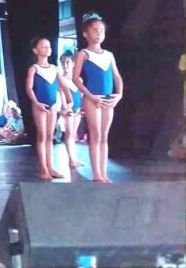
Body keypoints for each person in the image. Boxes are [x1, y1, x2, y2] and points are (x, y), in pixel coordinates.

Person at [73, 13, 123, 183]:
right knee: (95, 134)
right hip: (92, 98)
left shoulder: (109, 55)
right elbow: (75, 78)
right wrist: (90, 96)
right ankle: (96, 174)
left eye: (101, 30)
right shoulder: (83, 54)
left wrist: (119, 95)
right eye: (94, 30)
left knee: (104, 136)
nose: (98, 33)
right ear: (85, 33)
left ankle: (103, 173)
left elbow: (117, 77)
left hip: (108, 99)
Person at [25, 37, 72, 181]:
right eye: (44, 47)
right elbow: (29, 88)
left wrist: (68, 102)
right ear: (35, 50)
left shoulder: (54, 68)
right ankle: (43, 168)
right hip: (40, 105)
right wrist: (36, 102)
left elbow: (63, 86)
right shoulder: (34, 68)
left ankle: (50, 167)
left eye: (49, 46)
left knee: (49, 137)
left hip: (52, 105)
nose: (48, 49)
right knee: (42, 135)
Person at [59, 51, 84, 167]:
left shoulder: (78, 79)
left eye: (68, 62)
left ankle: (73, 158)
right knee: (69, 134)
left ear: (73, 63)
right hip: (69, 110)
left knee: (73, 135)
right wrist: (65, 108)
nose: (65, 65)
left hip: (77, 110)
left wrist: (82, 108)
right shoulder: (62, 79)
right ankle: (71, 160)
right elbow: (62, 95)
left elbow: (81, 95)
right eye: (63, 62)